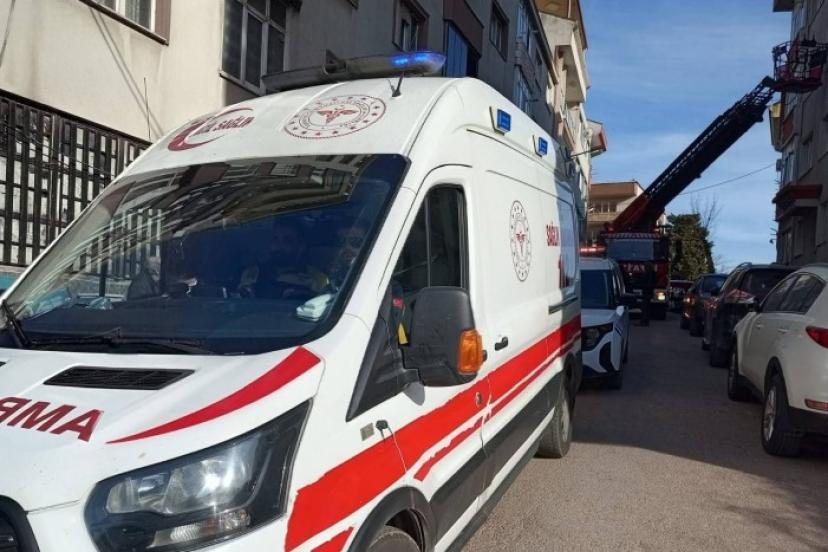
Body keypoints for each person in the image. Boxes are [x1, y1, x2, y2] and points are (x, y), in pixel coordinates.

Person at [640, 261, 656, 327]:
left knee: (645, 307)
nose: (644, 267)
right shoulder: (651, 273)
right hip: (648, 292)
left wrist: (643, 286)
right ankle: (645, 321)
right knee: (646, 307)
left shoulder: (650, 274)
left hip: (647, 292)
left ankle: (644, 321)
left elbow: (649, 284)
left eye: (645, 266)